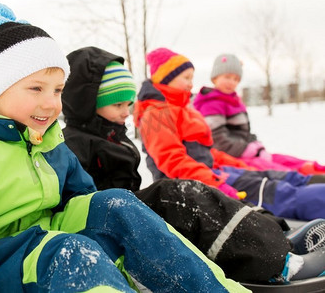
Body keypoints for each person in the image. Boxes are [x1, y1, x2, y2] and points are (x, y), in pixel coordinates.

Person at [0, 4, 250, 293]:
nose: (51, 103)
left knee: (117, 204)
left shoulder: (48, 143)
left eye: (58, 90)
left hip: (49, 241)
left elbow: (82, 200)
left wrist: (117, 233)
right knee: (70, 252)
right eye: (36, 89)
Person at [61, 46, 325, 283]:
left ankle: (278, 244)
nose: (126, 112)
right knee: (179, 196)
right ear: (88, 104)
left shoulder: (112, 137)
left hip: (126, 211)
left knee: (205, 196)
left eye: (128, 104)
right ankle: (279, 263)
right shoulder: (75, 144)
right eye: (117, 104)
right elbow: (79, 198)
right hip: (110, 220)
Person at [133, 47, 325, 222]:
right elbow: (173, 161)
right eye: (186, 78)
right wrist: (216, 181)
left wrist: (239, 165)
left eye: (192, 78)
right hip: (191, 186)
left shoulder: (179, 109)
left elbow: (206, 153)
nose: (191, 84)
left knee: (268, 176)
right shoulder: (156, 114)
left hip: (210, 173)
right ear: (165, 78)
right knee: (273, 192)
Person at [193, 53, 325, 175]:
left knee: (282, 159)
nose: (231, 82)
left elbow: (244, 132)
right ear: (215, 78)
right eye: (227, 77)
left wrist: (255, 145)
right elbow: (218, 141)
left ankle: (313, 169)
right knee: (275, 169)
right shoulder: (211, 103)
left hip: (242, 151)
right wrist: (249, 150)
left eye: (236, 79)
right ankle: (306, 180)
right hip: (230, 157)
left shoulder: (234, 101)